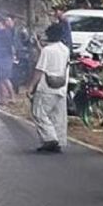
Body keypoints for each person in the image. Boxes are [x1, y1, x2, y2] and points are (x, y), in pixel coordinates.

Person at [28, 23, 70, 153]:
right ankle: (59, 139)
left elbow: (40, 70)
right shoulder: (65, 49)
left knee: (39, 112)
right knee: (57, 116)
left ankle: (50, 139)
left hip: (46, 88)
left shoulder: (47, 50)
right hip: (61, 87)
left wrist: (31, 87)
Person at [0, 15, 17, 104]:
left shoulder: (6, 32)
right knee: (0, 78)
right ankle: (3, 98)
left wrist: (13, 56)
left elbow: (10, 46)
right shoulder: (1, 32)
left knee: (4, 78)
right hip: (1, 57)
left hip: (5, 57)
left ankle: (12, 97)